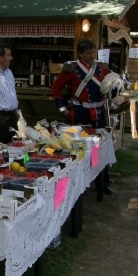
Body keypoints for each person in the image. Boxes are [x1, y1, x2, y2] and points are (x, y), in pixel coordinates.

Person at [51, 39, 114, 194]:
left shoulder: (101, 67)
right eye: (88, 52)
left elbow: (111, 83)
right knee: (80, 148)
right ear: (80, 54)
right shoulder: (71, 68)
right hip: (80, 112)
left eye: (93, 52)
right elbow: (56, 88)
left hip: (99, 113)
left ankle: (103, 183)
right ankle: (79, 183)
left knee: (101, 147)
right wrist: (62, 109)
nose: (92, 55)